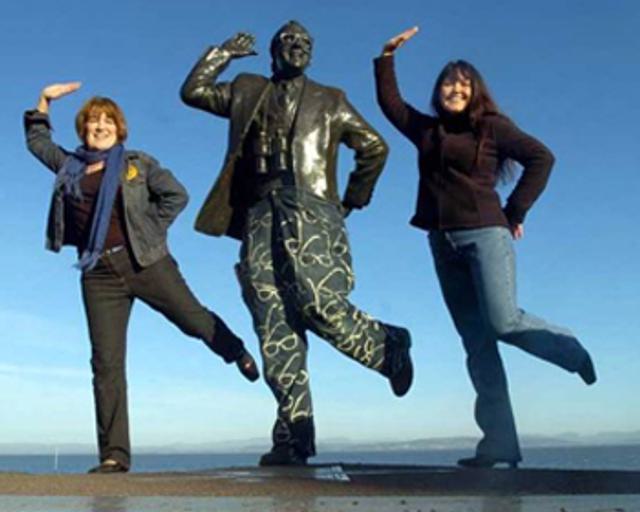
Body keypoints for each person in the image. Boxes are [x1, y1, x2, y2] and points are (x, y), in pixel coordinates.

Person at [181, 20, 413, 466]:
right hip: (258, 213)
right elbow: (193, 92)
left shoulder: (331, 99)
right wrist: (222, 55)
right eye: (289, 40)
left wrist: (353, 199)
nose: (298, 46)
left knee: (317, 303)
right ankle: (294, 432)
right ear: (273, 50)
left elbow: (375, 147)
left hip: (311, 209)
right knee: (273, 323)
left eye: (306, 42)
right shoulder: (248, 90)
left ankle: (388, 346)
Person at [374, 27, 596, 469]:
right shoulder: (429, 132)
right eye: (447, 83)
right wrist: (386, 57)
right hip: (442, 243)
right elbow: (392, 106)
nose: (454, 89)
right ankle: (498, 444)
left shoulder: (491, 128)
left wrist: (516, 212)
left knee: (503, 321)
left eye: (463, 83)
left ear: (474, 91)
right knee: (476, 343)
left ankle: (570, 351)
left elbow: (541, 158)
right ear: (439, 92)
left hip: (485, 236)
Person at [24, 82, 260, 474]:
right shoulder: (69, 166)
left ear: (119, 129)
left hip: (146, 262)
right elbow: (37, 142)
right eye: (93, 121)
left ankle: (233, 349)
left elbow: (176, 196)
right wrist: (44, 101)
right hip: (97, 273)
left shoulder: (138, 164)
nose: (100, 126)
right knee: (106, 362)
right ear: (83, 129)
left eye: (107, 121)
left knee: (194, 320)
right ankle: (114, 455)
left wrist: (151, 232)